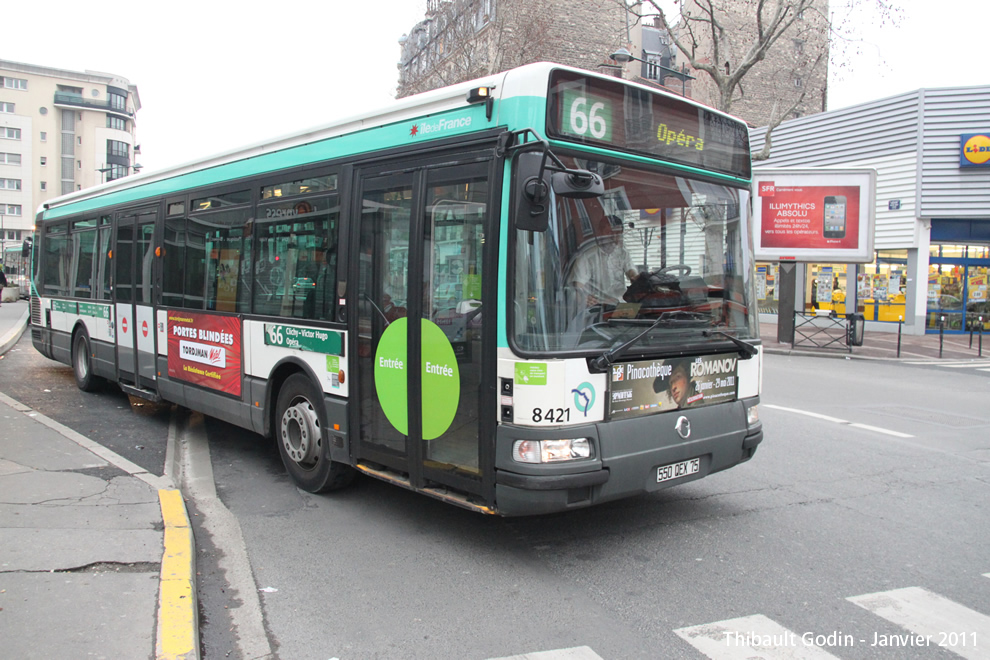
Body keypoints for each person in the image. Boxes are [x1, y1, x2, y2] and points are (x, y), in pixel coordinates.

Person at [569, 215, 640, 307]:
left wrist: (637, 278)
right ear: (600, 233)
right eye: (609, 232)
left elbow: (631, 271)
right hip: (599, 308)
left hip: (622, 306)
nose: (614, 236)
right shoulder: (587, 257)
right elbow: (577, 286)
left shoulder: (623, 253)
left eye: (617, 233)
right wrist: (583, 298)